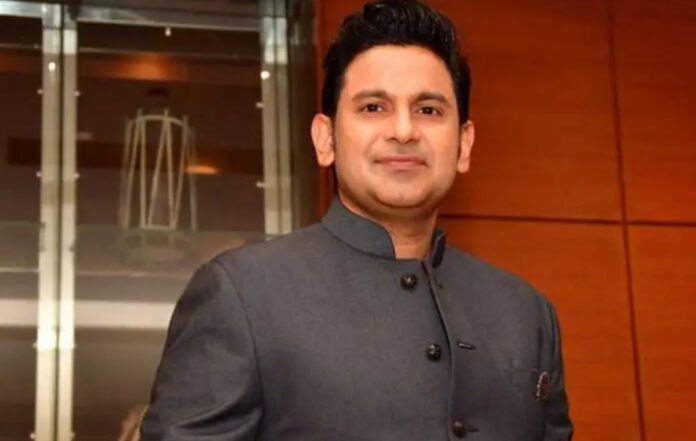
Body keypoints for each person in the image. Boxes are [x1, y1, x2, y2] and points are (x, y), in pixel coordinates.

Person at [140, 0, 573, 440]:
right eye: (373, 108)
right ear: (325, 139)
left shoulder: (526, 314)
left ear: (464, 145)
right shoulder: (243, 296)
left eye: (428, 110)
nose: (403, 131)